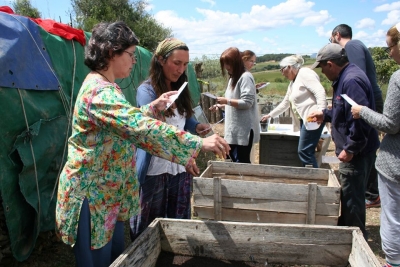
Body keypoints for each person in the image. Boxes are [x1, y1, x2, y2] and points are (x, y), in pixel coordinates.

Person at [55, 22, 230, 267]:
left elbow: (122, 122)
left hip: (107, 194)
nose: (134, 60)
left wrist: (150, 108)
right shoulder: (100, 93)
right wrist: (197, 144)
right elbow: (140, 129)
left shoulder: (106, 88)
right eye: (130, 54)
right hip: (92, 197)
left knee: (115, 257)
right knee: (97, 261)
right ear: (110, 53)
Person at [129, 38, 210, 241]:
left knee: (177, 220)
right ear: (160, 60)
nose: (181, 69)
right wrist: (195, 147)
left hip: (179, 168)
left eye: (185, 64)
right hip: (155, 168)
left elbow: (184, 116)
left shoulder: (180, 86)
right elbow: (156, 132)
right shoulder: (146, 91)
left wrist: (195, 126)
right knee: (148, 224)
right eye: (176, 63)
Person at [308, 43, 380, 238]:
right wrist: (326, 114)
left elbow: (360, 119)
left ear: (330, 64)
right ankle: (347, 231)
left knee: (352, 199)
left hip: (357, 152)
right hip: (357, 149)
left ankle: (354, 240)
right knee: (350, 196)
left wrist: (350, 148)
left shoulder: (351, 81)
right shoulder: (346, 77)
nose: (322, 72)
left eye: (322, 67)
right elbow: (344, 111)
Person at [350, 23, 400, 267]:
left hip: (396, 162)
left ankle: (393, 261)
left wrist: (363, 111)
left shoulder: (398, 78)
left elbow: (391, 123)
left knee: (392, 217)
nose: (389, 53)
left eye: (390, 47)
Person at [330, 23, 383, 207]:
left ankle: (370, 193)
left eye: (331, 40)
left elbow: (356, 77)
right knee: (368, 146)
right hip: (369, 99)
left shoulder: (351, 46)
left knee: (364, 145)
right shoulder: (358, 45)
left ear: (337, 35)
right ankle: (371, 193)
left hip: (364, 102)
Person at [260, 55, 326, 168]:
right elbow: (285, 103)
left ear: (289, 67)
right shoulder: (293, 83)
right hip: (305, 120)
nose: (282, 73)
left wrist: (321, 111)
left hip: (313, 118)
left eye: (282, 69)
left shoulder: (305, 73)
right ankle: (311, 175)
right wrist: (270, 115)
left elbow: (319, 91)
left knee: (304, 151)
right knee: (306, 150)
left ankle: (314, 177)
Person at [210, 47, 260, 163]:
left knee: (241, 163)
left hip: (243, 131)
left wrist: (226, 101)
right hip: (234, 130)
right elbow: (234, 102)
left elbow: (247, 103)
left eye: (228, 63)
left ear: (236, 62)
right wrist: (220, 106)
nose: (226, 67)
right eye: (224, 64)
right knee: (232, 161)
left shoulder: (245, 77)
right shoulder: (233, 77)